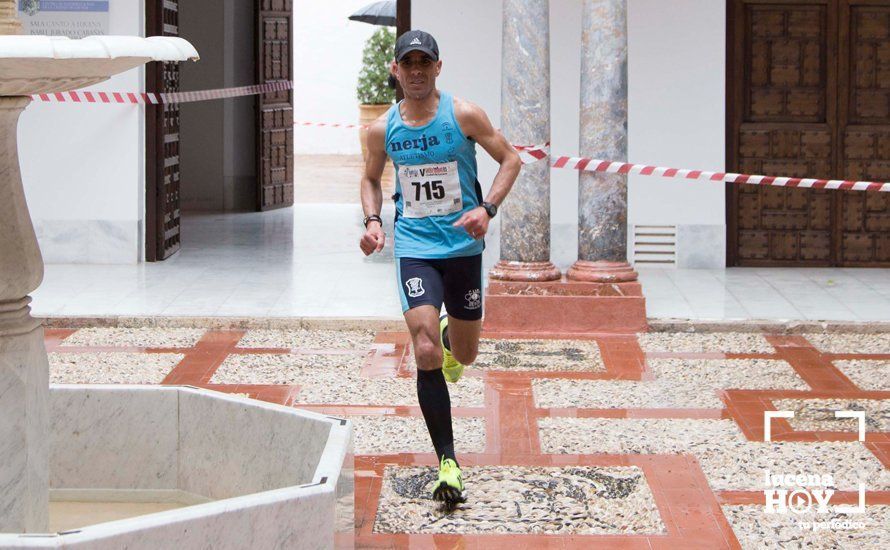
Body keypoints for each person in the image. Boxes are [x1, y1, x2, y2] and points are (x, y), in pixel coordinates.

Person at [358, 30, 522, 507]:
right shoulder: (381, 129)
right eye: (407, 64)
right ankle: (447, 462)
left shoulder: (463, 114)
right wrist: (373, 221)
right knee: (424, 345)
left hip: (464, 249)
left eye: (423, 63)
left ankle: (455, 337)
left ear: (437, 67)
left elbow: (510, 159)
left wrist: (487, 209)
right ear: (395, 70)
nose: (415, 71)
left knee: (464, 356)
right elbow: (370, 178)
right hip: (414, 246)